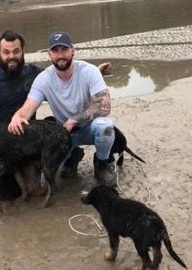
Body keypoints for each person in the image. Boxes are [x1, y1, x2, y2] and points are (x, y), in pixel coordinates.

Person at [0, 30, 111, 199]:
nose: (11, 56)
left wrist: (96, 72)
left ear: (22, 51)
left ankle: (79, 156)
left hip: (27, 143)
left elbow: (62, 73)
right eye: (6, 52)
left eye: (16, 51)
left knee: (35, 191)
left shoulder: (34, 74)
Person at [8, 31, 117, 186]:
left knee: (106, 127)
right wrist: (18, 117)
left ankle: (101, 164)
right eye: (55, 51)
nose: (60, 55)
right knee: (52, 178)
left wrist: (74, 119)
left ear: (73, 51)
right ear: (49, 54)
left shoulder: (90, 71)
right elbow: (28, 108)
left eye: (64, 50)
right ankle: (72, 156)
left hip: (88, 127)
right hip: (63, 133)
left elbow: (104, 106)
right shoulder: (43, 79)